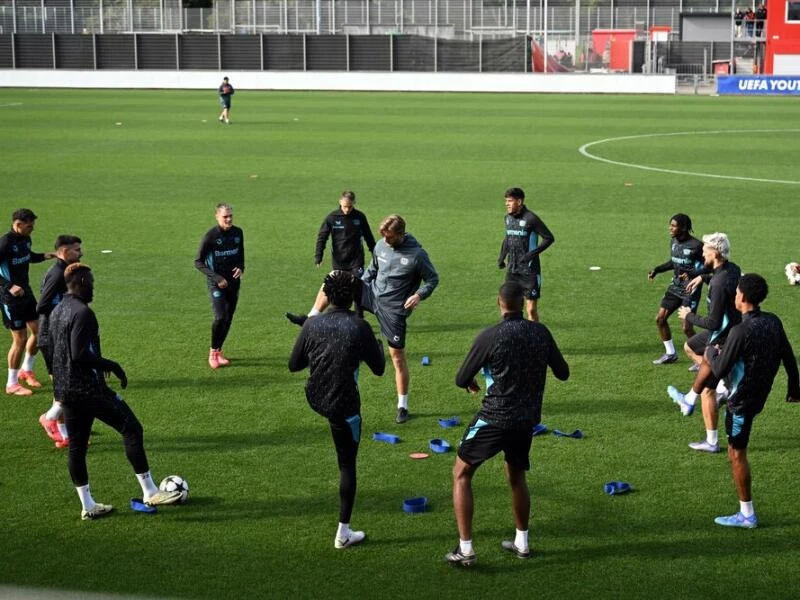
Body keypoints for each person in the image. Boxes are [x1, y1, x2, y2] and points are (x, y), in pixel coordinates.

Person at [445, 282, 569, 567]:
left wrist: (474, 382)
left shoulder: (490, 335)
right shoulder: (540, 332)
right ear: (522, 301)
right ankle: (522, 543)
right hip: (526, 420)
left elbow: (462, 378)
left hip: (494, 417)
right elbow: (563, 372)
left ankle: (466, 550)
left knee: (461, 473)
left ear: (499, 303)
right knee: (516, 476)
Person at [49, 263, 182, 519]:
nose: (94, 288)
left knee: (77, 447)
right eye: (92, 283)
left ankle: (88, 506)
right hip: (88, 389)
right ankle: (150, 491)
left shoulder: (58, 310)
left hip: (65, 390)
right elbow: (78, 353)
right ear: (84, 282)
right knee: (131, 428)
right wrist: (112, 365)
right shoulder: (83, 313)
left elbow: (50, 346)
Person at [286, 214, 438, 424]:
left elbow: (433, 279)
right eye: (383, 236)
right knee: (335, 277)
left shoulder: (417, 255)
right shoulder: (381, 246)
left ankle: (402, 405)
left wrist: (419, 294)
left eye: (390, 237)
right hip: (372, 293)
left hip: (393, 309)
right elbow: (373, 270)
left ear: (401, 234)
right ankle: (311, 317)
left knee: (396, 357)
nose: (385, 240)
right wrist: (356, 283)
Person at [288, 270, 385, 549]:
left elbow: (294, 365)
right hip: (344, 405)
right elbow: (378, 369)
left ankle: (345, 531)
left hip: (315, 397)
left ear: (327, 296)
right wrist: (377, 345)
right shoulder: (359, 327)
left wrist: (319, 350)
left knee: (337, 429)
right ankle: (343, 533)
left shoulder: (312, 325)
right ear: (354, 297)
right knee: (347, 465)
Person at [703, 274, 800, 528]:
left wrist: (711, 352)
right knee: (736, 448)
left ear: (743, 297)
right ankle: (701, 398)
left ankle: (747, 514)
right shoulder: (773, 321)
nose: (734, 296)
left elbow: (721, 369)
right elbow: (789, 357)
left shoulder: (740, 331)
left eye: (736, 292)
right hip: (759, 395)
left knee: (736, 453)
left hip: (741, 403)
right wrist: (794, 388)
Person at [667, 233, 741, 454]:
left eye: (706, 250)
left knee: (707, 391)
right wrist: (702, 277)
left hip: (721, 338)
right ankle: (704, 392)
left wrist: (688, 315)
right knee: (689, 346)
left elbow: (713, 321)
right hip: (730, 332)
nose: (702, 252)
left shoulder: (718, 284)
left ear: (715, 253)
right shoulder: (731, 269)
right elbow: (721, 278)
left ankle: (711, 441)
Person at [286, 191, 376, 322]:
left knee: (357, 286)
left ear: (354, 204)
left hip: (356, 261)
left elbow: (368, 236)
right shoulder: (332, 217)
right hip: (339, 261)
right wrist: (318, 256)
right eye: (345, 206)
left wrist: (375, 253)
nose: (347, 210)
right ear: (340, 202)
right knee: (331, 286)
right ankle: (311, 317)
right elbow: (322, 237)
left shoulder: (360, 217)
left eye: (350, 207)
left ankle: (359, 318)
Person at [0, 208, 54, 396]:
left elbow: (27, 256)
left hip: (26, 293)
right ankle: (11, 384)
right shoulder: (5, 243)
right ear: (18, 224)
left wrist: (44, 256)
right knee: (20, 339)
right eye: (29, 225)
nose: (33, 228)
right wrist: (9, 286)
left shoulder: (25, 239)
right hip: (10, 298)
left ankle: (26, 369)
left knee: (39, 332)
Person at [37, 234, 83, 449]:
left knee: (65, 384)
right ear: (64, 252)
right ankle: (50, 417)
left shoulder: (63, 271)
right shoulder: (57, 274)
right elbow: (43, 305)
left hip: (59, 335)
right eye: (76, 250)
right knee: (67, 385)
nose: (80, 253)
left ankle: (65, 434)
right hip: (52, 337)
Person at [648, 214, 704, 366]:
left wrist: (694, 275)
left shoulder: (697, 246)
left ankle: (704, 359)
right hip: (675, 286)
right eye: (670, 225)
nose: (670, 228)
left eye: (673, 226)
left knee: (686, 327)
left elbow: (709, 267)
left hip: (690, 289)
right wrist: (657, 270)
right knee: (660, 319)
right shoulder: (673, 242)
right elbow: (674, 262)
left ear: (684, 228)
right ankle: (670, 353)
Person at [195, 203, 245, 370]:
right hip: (216, 284)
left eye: (230, 216)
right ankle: (212, 352)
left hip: (233, 283)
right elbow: (198, 262)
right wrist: (217, 278)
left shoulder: (238, 233)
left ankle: (219, 351)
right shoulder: (210, 236)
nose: (229, 219)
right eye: (225, 216)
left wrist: (241, 268)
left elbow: (241, 255)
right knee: (220, 317)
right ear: (217, 217)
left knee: (229, 318)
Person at [497, 187, 554, 322]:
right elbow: (508, 238)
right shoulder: (508, 219)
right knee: (510, 307)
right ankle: (512, 334)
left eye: (510, 201)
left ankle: (534, 337)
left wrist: (531, 255)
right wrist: (501, 257)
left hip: (529, 272)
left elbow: (549, 238)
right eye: (506, 201)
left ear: (519, 201)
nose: (507, 204)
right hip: (512, 270)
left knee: (531, 310)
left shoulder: (531, 219)